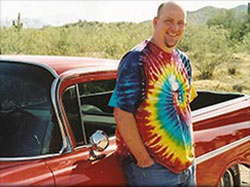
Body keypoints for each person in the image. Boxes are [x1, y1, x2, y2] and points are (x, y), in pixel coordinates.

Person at [109, 1, 197, 186]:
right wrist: (144, 160)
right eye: (168, 21)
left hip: (186, 165)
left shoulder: (183, 60)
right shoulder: (137, 60)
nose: (175, 28)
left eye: (180, 23)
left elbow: (184, 107)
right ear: (155, 22)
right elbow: (122, 113)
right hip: (154, 170)